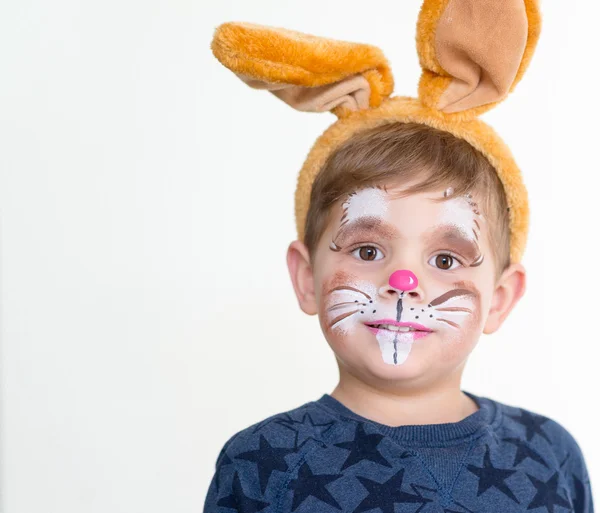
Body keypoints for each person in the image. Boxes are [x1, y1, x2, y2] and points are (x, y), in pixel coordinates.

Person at [205, 1, 594, 511]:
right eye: (368, 249)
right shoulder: (264, 463)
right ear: (305, 277)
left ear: (500, 299)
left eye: (446, 260)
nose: (403, 280)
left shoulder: (549, 457)